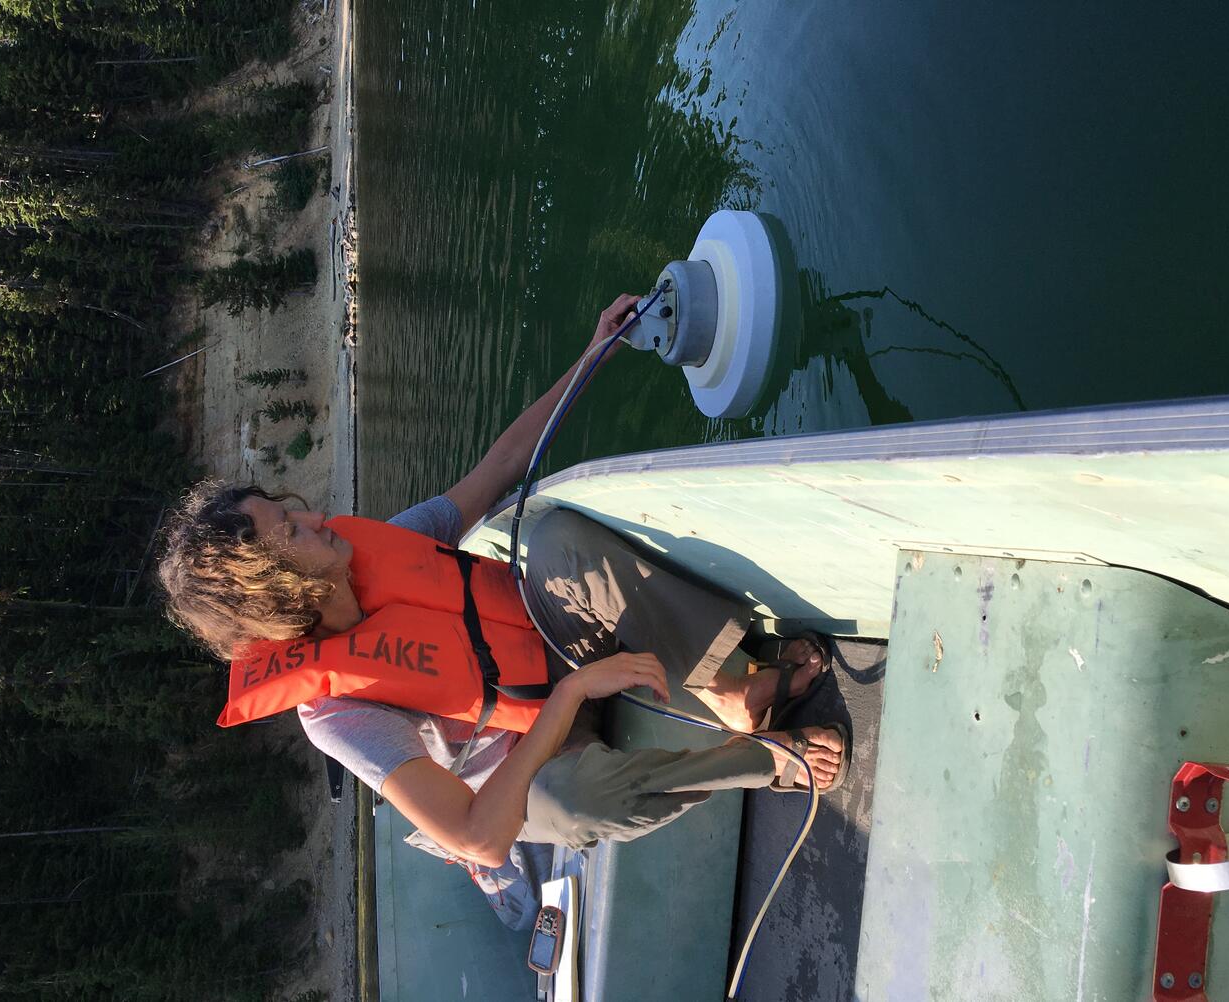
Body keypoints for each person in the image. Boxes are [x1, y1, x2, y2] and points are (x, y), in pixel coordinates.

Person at [157, 294, 847, 928]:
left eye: (290, 509)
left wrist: (594, 353)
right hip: (532, 759)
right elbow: (480, 836)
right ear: (282, 592)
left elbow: (503, 463)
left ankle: (731, 691)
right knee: (575, 807)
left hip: (558, 648)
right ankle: (761, 761)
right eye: (292, 531)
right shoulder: (338, 715)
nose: (315, 517)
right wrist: (571, 696)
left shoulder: (381, 546)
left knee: (555, 541)